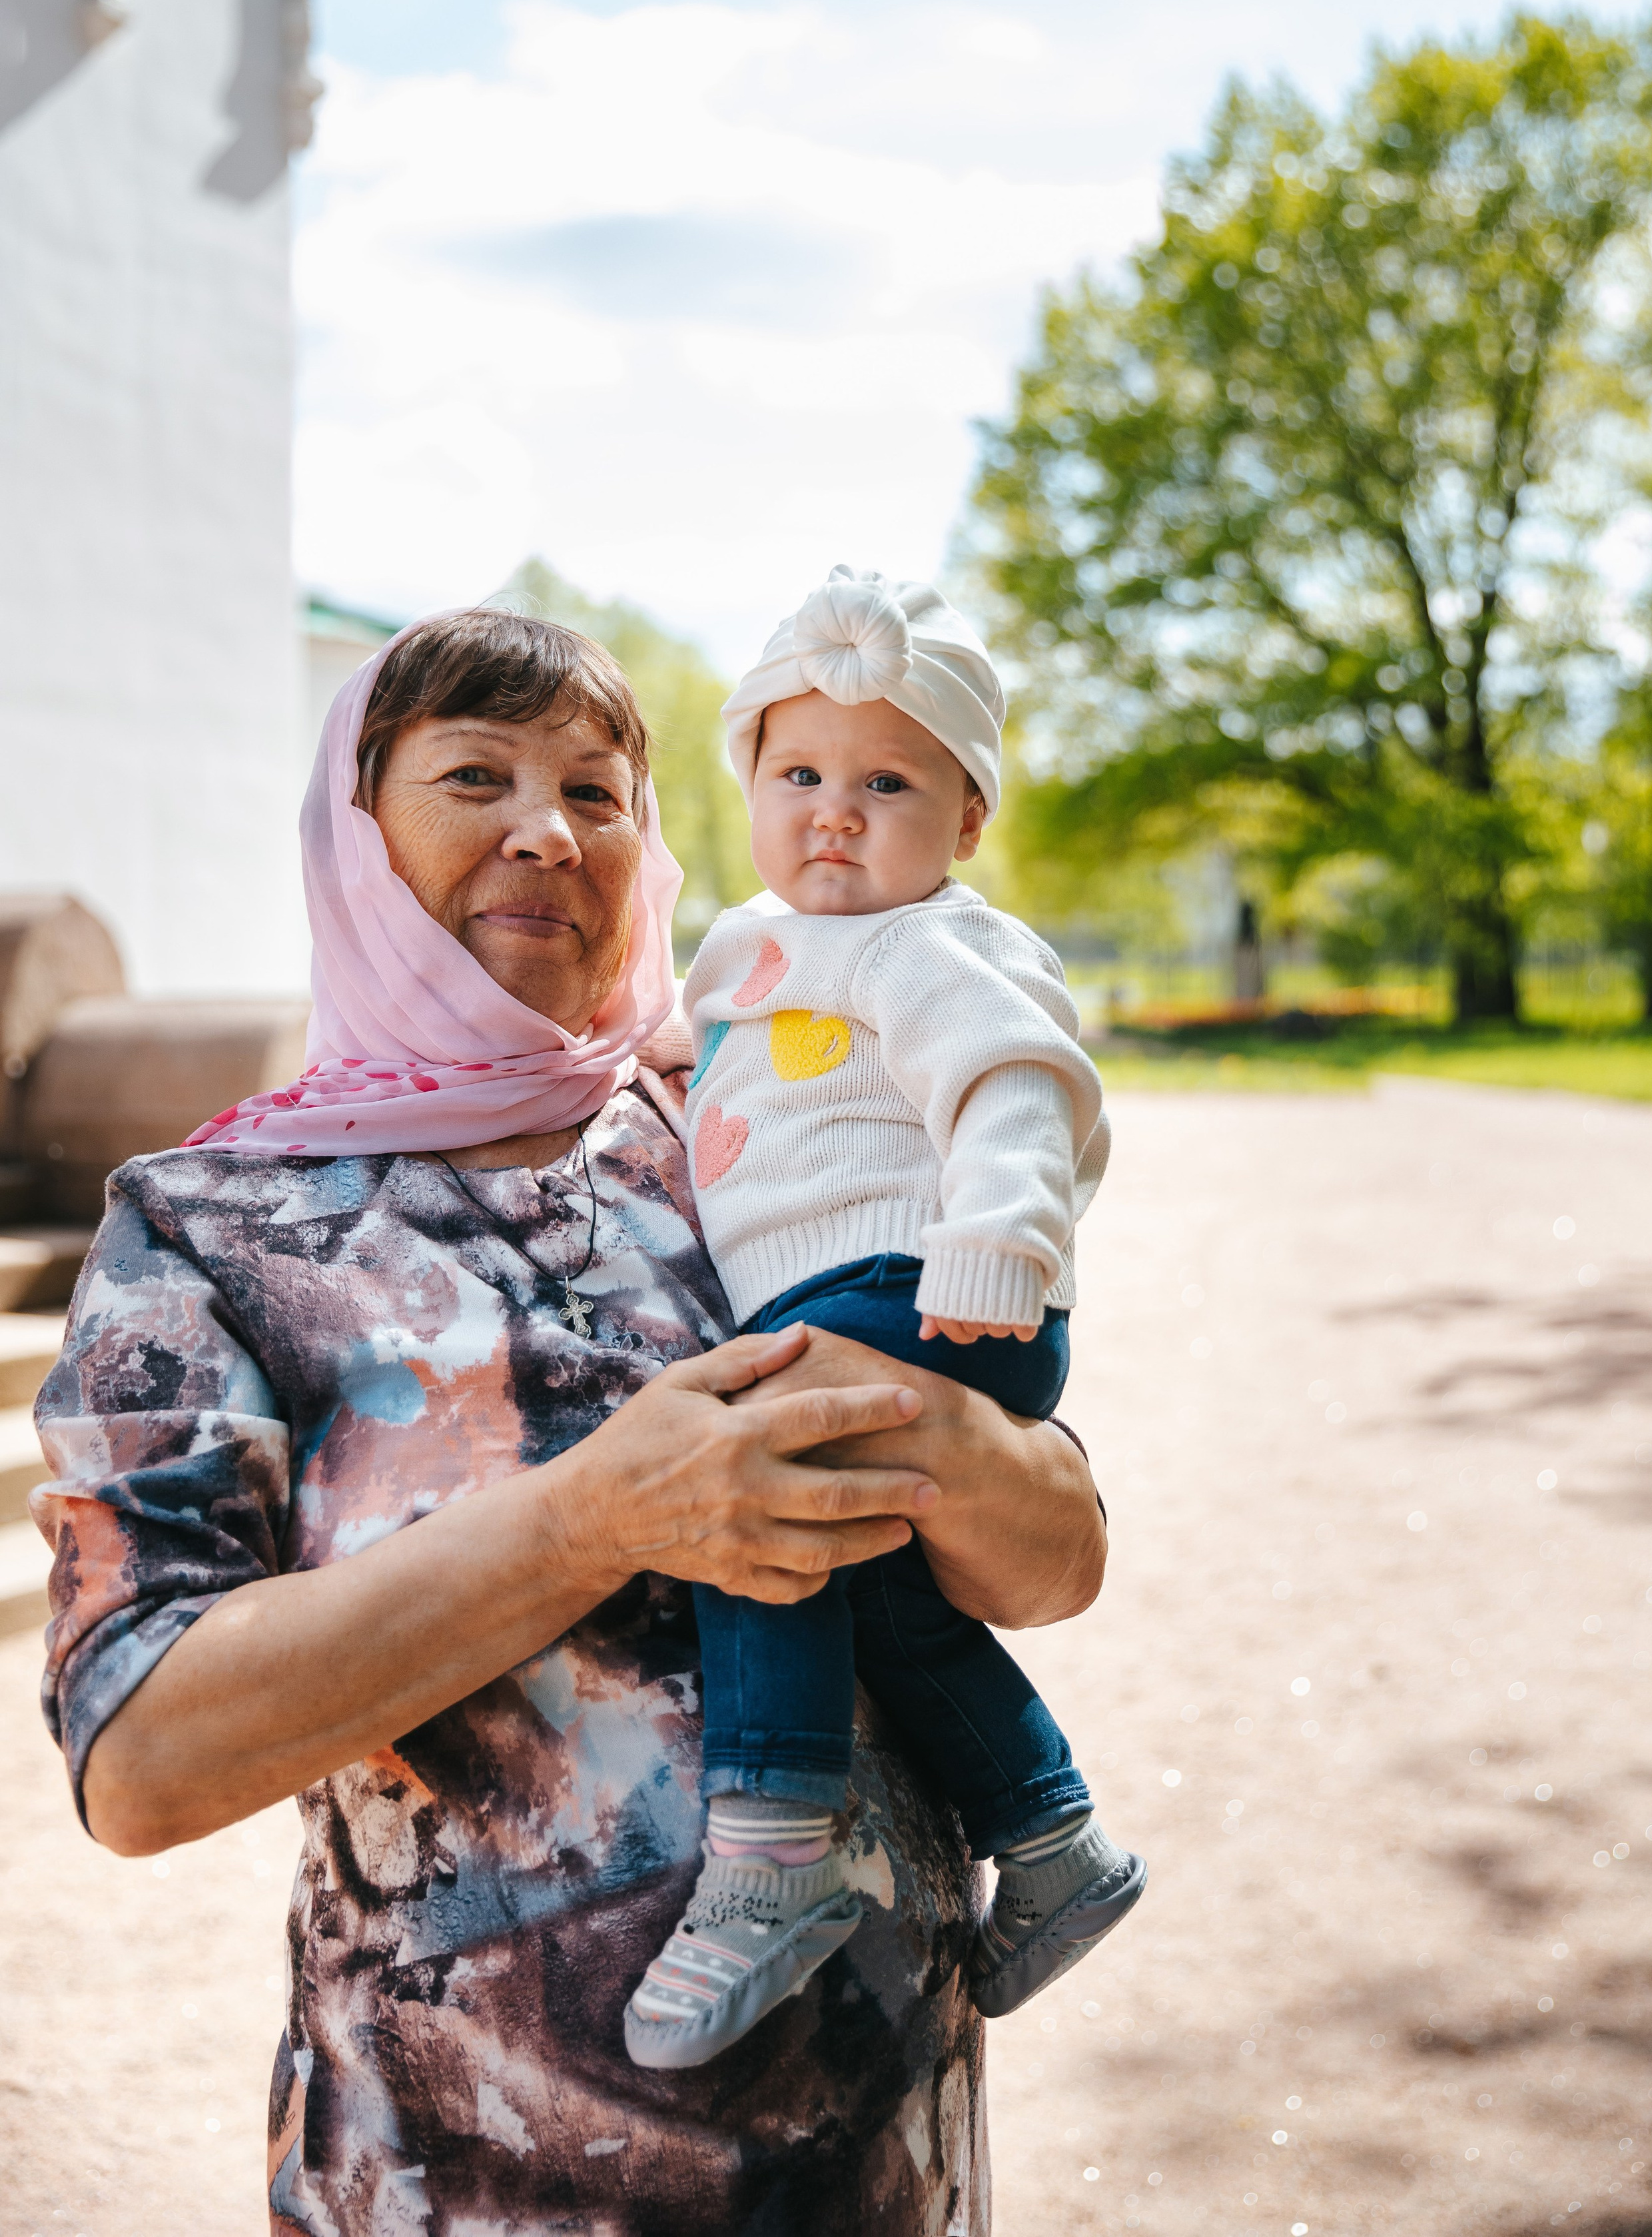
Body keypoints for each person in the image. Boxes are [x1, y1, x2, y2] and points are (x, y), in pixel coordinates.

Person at [30, 606, 1109, 2237]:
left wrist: (943, 1446)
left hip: (883, 2170)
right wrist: (594, 1515)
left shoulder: (751, 1122)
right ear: (357, 832)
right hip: (466, 2182)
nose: (546, 829)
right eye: (476, 775)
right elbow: (143, 1761)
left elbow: (1056, 1559)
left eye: (597, 792)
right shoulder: (209, 1231)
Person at [623, 568, 1144, 2071]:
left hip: (938, 1292)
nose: (832, 813)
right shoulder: (748, 947)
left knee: (749, 1470)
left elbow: (1012, 1091)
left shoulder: (936, 949)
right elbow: (706, 1054)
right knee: (879, 1582)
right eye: (797, 775)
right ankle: (1049, 1838)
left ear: (966, 820)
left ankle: (776, 1843)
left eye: (885, 782)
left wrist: (997, 1241)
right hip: (850, 1297)